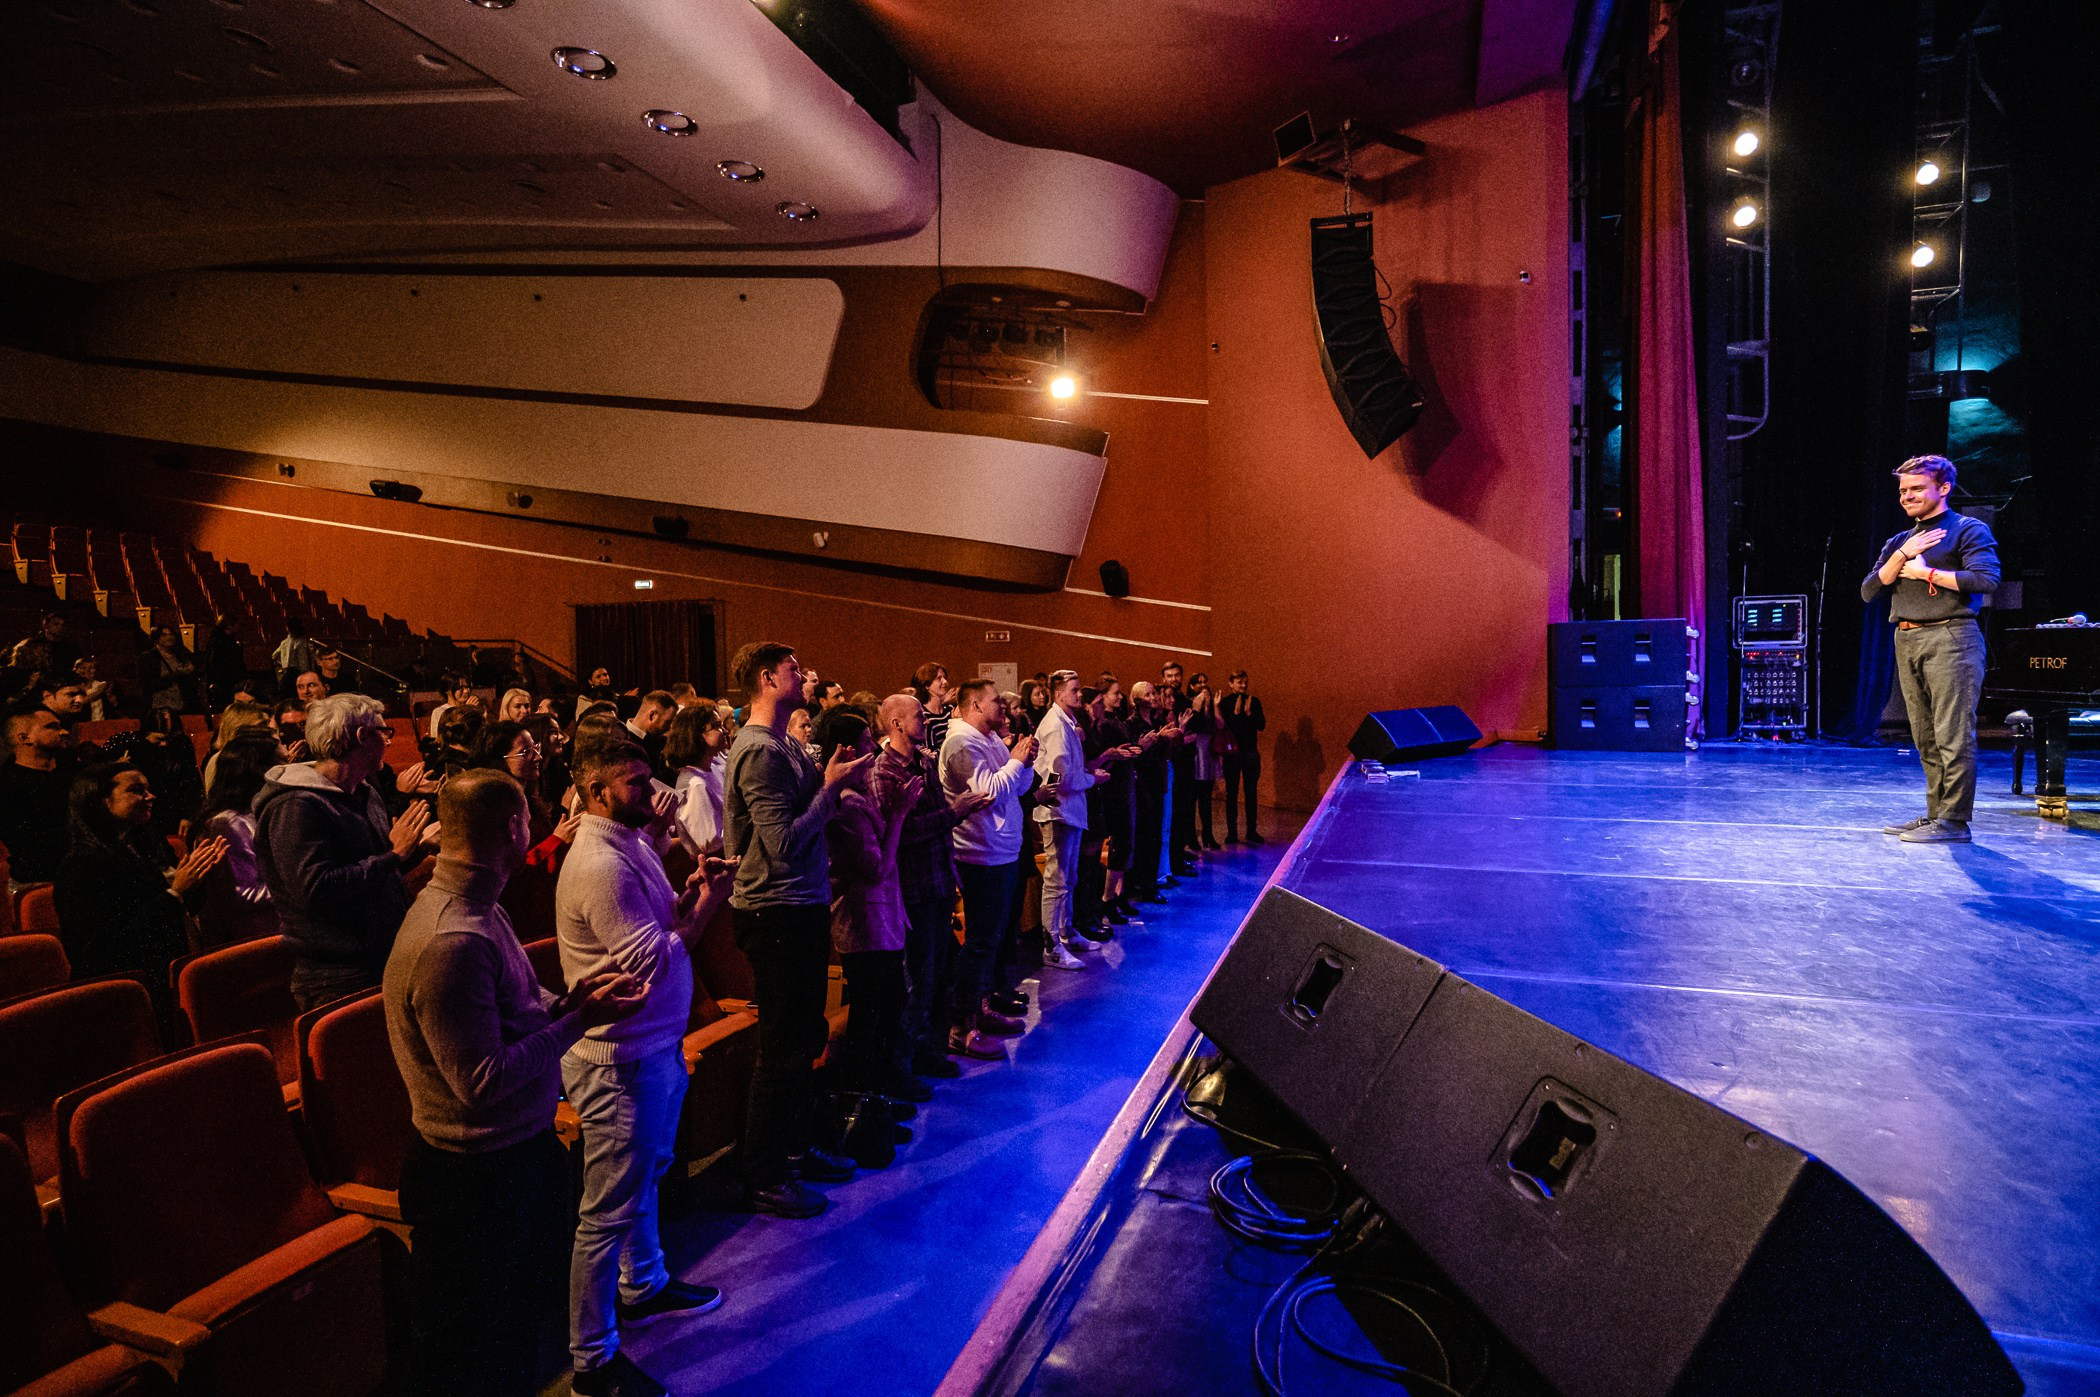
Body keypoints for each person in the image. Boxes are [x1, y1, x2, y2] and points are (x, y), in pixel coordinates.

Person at [384, 767, 650, 1397]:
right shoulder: (453, 937)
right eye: (529, 819)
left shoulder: (477, 908)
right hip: (474, 1181)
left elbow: (514, 1015)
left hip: (508, 1161)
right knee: (475, 1353)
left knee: (512, 1338)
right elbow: (481, 1081)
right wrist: (583, 1020)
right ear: (512, 828)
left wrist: (571, 1001)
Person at [555, 738, 735, 1397]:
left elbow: (656, 922)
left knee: (645, 1175)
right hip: (617, 1061)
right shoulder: (599, 861)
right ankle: (592, 1358)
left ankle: (645, 1282)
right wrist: (712, 901)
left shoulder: (628, 841)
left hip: (648, 1046)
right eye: (635, 782)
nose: (653, 789)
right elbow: (648, 961)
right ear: (598, 792)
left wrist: (688, 888)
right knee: (605, 1209)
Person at [722, 641, 871, 1217]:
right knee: (782, 1048)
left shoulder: (786, 743)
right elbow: (781, 848)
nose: (804, 674)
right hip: (775, 909)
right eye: (793, 668)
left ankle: (794, 1146)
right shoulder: (758, 751)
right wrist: (830, 788)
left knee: (804, 1037)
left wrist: (833, 781)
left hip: (799, 904)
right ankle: (764, 1175)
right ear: (766, 679)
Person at [256, 693, 435, 1009]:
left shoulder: (364, 792)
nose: (389, 742)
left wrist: (417, 850)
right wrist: (395, 855)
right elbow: (315, 889)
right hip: (338, 976)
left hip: (382, 957)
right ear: (361, 737)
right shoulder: (296, 806)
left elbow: (377, 872)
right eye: (384, 732)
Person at [1862, 453, 2000, 844]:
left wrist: (1928, 573)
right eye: (1903, 491)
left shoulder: (1967, 530)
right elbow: (1870, 589)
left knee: (1952, 732)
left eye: (1916, 488)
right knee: (1924, 734)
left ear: (1943, 488)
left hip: (1951, 637)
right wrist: (1904, 556)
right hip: (1906, 637)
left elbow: (1986, 580)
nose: (1907, 497)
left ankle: (1954, 821)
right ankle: (1935, 814)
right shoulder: (1899, 541)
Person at [55, 762, 226, 1035]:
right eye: (136, 791)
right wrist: (175, 893)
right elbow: (102, 949)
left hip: (167, 976)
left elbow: (181, 910)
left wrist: (197, 878)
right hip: (127, 997)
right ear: (100, 801)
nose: (150, 796)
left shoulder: (145, 844)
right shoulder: (81, 867)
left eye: (148, 789)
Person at [873, 693, 987, 1082]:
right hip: (913, 889)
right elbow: (899, 834)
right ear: (897, 724)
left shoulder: (924, 762)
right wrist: (956, 813)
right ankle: (905, 1067)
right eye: (919, 715)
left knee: (939, 976)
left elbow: (936, 823)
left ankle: (930, 1052)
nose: (926, 719)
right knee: (918, 982)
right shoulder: (884, 772)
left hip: (938, 880)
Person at [818, 707, 919, 1106]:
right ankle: (864, 1100)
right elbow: (876, 868)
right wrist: (898, 814)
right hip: (863, 922)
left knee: (886, 1007)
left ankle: (879, 1093)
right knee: (870, 1015)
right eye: (865, 744)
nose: (873, 751)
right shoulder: (847, 803)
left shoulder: (856, 795)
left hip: (879, 918)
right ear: (846, 749)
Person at [940, 679, 1039, 1059]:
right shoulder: (961, 742)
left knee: (992, 941)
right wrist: (1015, 760)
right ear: (976, 706)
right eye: (996, 701)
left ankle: (981, 1011)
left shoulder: (991, 737)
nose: (1003, 707)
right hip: (979, 854)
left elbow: (1016, 786)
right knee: (980, 943)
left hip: (1001, 850)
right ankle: (960, 1027)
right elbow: (988, 792)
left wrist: (1024, 763)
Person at [1032, 670, 1123, 968]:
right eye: (1073, 690)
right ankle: (1052, 946)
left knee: (1068, 878)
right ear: (1058, 694)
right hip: (1059, 812)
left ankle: (1067, 932)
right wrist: (1092, 779)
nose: (1079, 695)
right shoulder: (1056, 727)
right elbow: (1063, 776)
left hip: (1069, 811)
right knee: (1057, 880)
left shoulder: (1065, 722)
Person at [194, 729, 283, 947]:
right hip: (257, 936)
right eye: (281, 764)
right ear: (260, 771)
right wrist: (299, 886)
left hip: (279, 925)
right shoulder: (229, 823)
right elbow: (245, 893)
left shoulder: (260, 812)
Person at [0, 706, 76, 884]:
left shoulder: (67, 773)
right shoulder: (8, 785)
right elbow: (25, 845)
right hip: (42, 877)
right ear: (24, 738)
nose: (63, 731)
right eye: (52, 727)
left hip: (78, 865)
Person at [665, 704, 730, 858]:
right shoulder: (695, 784)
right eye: (717, 726)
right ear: (696, 734)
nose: (725, 731)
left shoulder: (713, 768)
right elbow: (710, 844)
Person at [1219, 669, 1267, 845]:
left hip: (1250, 752)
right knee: (1231, 793)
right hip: (1232, 754)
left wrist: (1249, 715)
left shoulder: (1254, 702)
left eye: (1245, 682)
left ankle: (1251, 831)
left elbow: (1261, 725)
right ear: (1231, 683)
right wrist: (1237, 714)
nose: (1244, 685)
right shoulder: (1225, 703)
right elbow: (1225, 727)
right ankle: (1232, 833)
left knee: (1251, 792)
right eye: (1239, 682)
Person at [1186, 675, 1224, 851]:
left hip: (1208, 750)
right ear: (1191, 685)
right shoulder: (1190, 702)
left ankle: (1208, 835)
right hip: (1195, 749)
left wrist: (1214, 706)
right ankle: (1192, 837)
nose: (1203, 685)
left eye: (1205, 682)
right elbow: (1193, 725)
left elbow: (1220, 725)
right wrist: (1199, 706)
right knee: (1192, 796)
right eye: (1198, 682)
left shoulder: (1210, 703)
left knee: (1206, 798)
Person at [141, 625, 198, 732]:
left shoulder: (179, 655)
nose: (169, 637)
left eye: (171, 634)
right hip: (160, 709)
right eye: (164, 635)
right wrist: (177, 674)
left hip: (181, 706)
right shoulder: (148, 658)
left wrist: (190, 672)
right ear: (156, 638)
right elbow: (148, 684)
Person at [913, 662, 955, 754]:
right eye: (939, 678)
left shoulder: (950, 710)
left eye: (944, 677)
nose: (945, 682)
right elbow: (931, 752)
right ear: (927, 685)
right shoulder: (923, 715)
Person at [272, 618, 318, 695]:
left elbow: (274, 656)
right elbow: (303, 663)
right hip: (297, 674)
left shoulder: (284, 642)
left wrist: (283, 663)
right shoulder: (301, 642)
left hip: (287, 675)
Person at [429, 674, 477, 742]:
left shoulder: (473, 707)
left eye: (467, 687)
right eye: (461, 688)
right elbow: (440, 739)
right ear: (448, 691)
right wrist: (466, 712)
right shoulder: (439, 711)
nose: (466, 691)